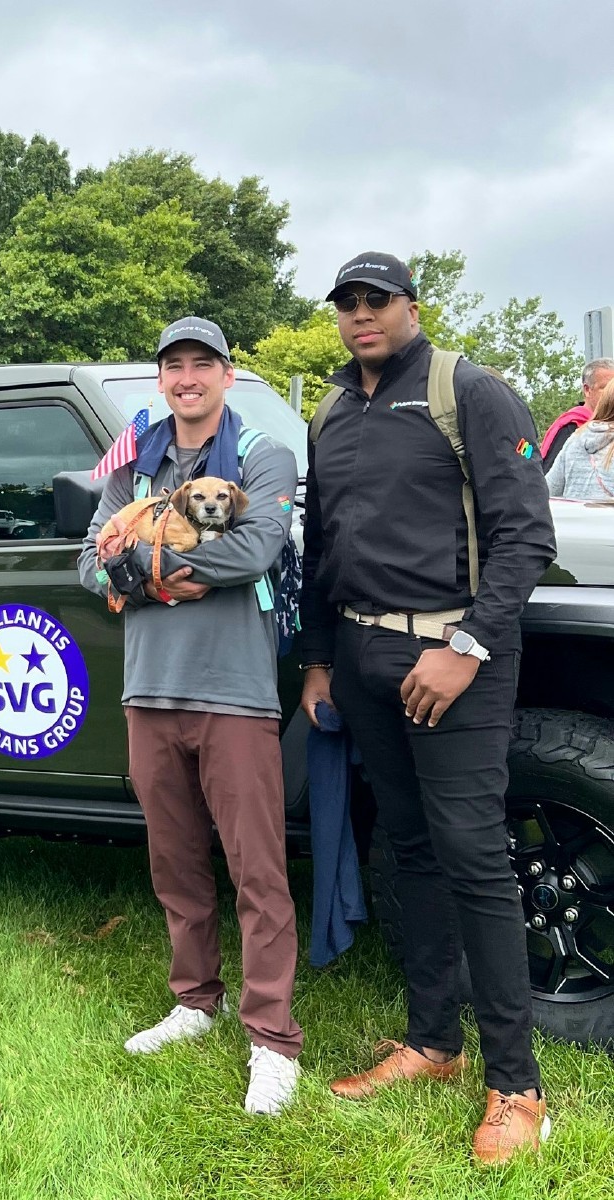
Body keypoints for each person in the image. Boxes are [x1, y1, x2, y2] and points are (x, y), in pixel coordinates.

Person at [298, 252, 556, 1165]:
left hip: (456, 654)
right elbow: (321, 548)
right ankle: (432, 1045)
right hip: (363, 653)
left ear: (411, 305)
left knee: (474, 855)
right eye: (348, 303)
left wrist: (466, 648)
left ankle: (517, 1088)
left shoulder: (470, 391)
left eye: (379, 300)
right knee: (410, 848)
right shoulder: (330, 410)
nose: (362, 315)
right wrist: (322, 660)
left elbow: (528, 533)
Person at [77, 316, 304, 1115]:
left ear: (226, 376)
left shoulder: (262, 456)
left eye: (201, 364)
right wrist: (156, 574)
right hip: (151, 692)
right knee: (175, 865)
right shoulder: (133, 463)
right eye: (173, 366)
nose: (186, 378)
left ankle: (272, 1040)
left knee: (258, 872)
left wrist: (142, 565)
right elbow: (87, 560)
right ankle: (193, 1001)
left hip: (236, 693)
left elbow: (257, 551)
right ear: (161, 381)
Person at [539, 358, 614, 471]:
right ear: (587, 390)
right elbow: (551, 478)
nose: (611, 394)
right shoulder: (572, 428)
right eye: (606, 388)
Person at [546, 376, 614, 500]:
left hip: (575, 517)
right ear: (587, 389)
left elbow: (548, 491)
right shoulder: (570, 426)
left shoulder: (576, 437)